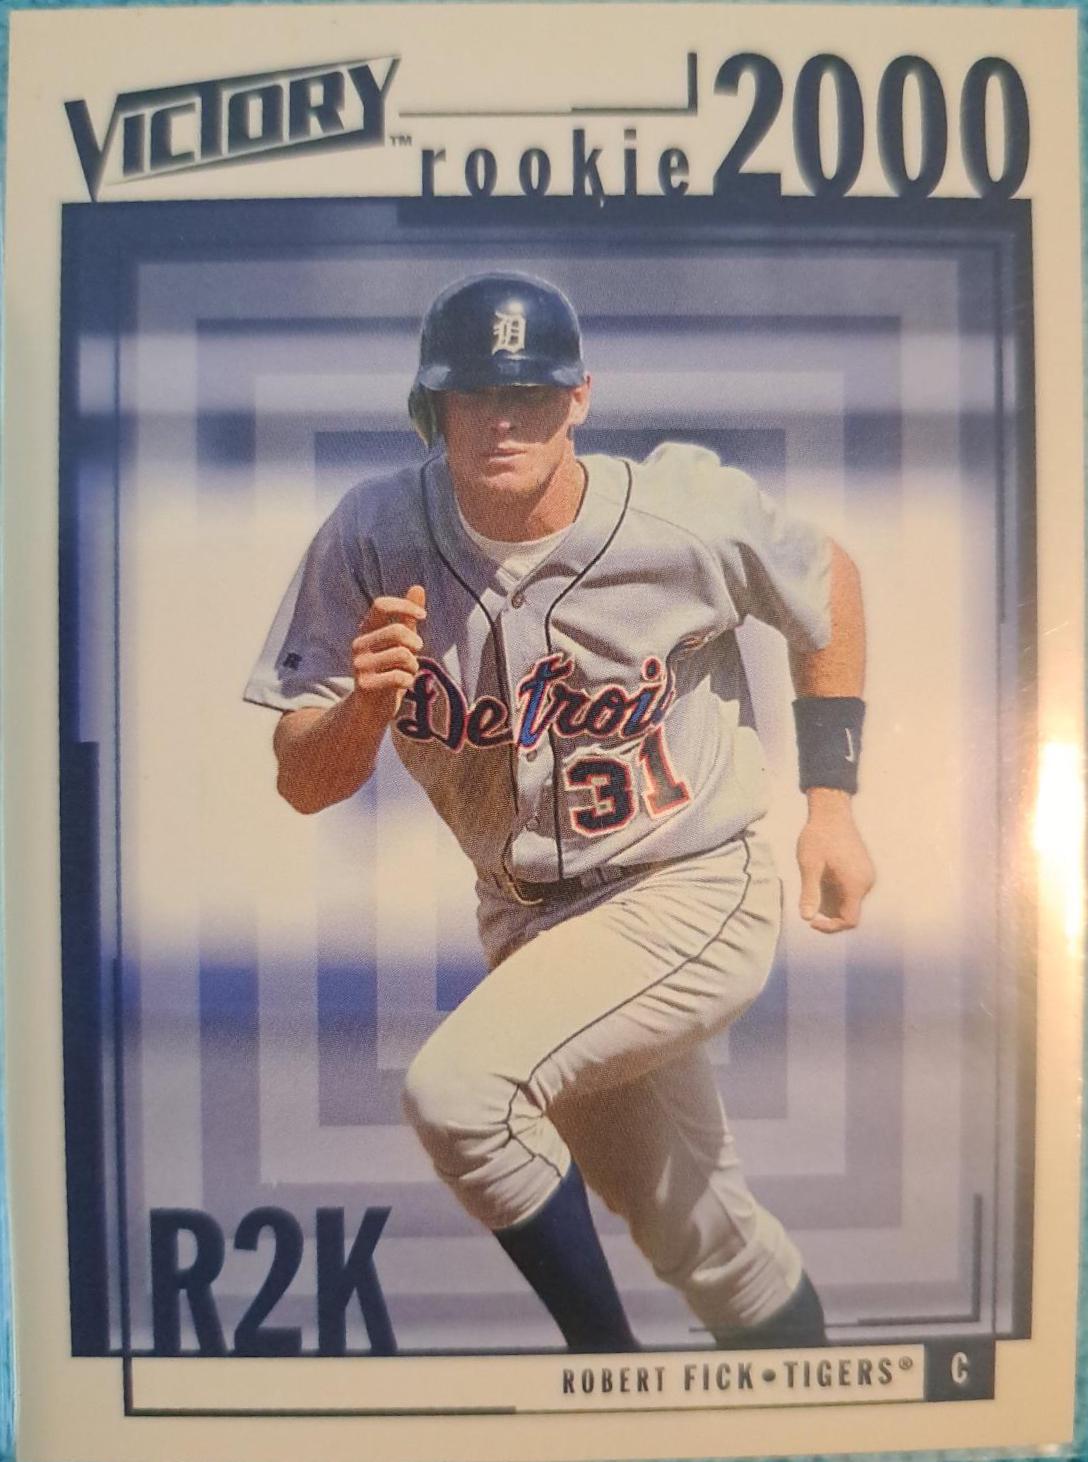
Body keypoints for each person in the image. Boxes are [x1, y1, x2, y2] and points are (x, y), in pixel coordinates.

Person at [244, 270, 875, 1353]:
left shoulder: (680, 512)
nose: (502, 420)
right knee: (708, 1245)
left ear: (578, 398)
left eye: (528, 394)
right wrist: (363, 710)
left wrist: (833, 804)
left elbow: (830, 582)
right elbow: (304, 782)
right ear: (430, 406)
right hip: (530, 922)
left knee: (460, 1095)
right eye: (474, 395)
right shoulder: (373, 535)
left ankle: (600, 1377)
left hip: (692, 886)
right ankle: (805, 1403)